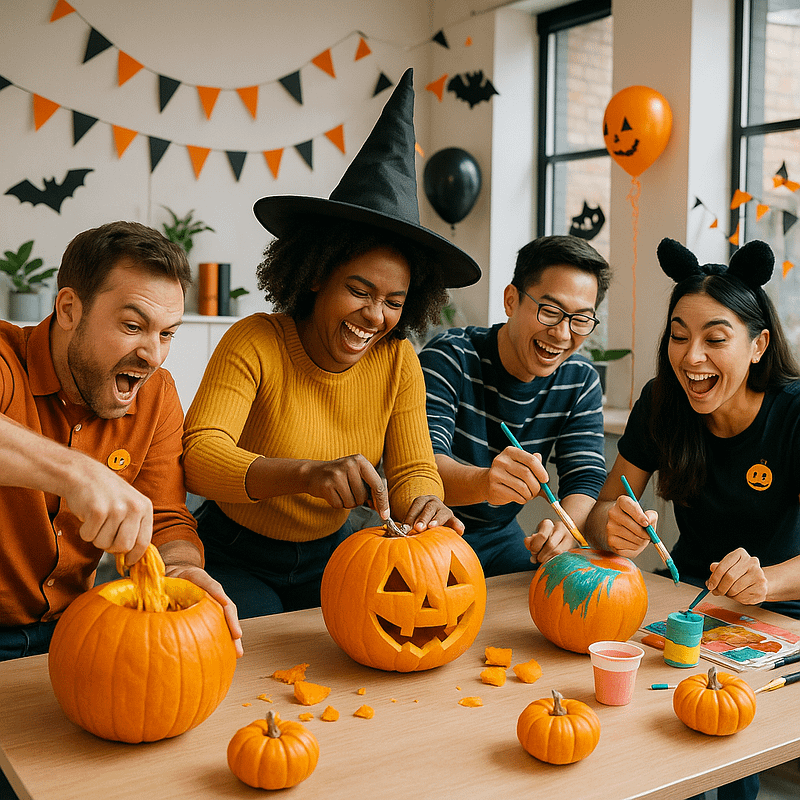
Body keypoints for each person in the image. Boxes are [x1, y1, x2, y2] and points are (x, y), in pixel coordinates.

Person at [181, 69, 482, 619]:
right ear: (316, 274)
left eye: (394, 301)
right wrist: (305, 473)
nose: (376, 316)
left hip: (334, 555)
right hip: (232, 554)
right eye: (359, 290)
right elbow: (199, 458)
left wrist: (427, 506)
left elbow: (414, 468)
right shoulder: (256, 342)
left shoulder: (397, 362)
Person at [584, 237, 800, 800]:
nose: (692, 357)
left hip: (783, 614)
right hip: (686, 604)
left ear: (759, 346)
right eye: (679, 337)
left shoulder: (795, 413)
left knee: (726, 738)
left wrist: (766, 580)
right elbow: (603, 510)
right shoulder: (661, 402)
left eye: (715, 339)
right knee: (642, 728)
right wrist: (613, 524)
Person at [0, 220, 242, 663]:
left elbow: (167, 517)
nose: (153, 355)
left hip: (73, 631)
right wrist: (76, 472)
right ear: (70, 309)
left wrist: (179, 569)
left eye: (167, 333)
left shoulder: (157, 394)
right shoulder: (4, 358)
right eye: (133, 326)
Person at [418, 235, 611, 577]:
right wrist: (485, 482)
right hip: (429, 531)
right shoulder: (450, 358)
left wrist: (565, 530)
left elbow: (584, 478)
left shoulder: (579, 380)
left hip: (500, 539)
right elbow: (422, 467)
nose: (563, 334)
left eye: (581, 319)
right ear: (511, 300)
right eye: (550, 311)